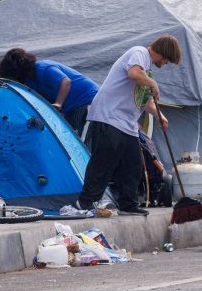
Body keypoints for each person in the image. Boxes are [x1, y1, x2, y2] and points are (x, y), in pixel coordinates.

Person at [74, 35, 182, 216]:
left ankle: (128, 204)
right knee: (104, 162)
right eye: (167, 60)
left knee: (133, 166)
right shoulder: (139, 53)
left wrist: (160, 116)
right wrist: (153, 83)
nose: (165, 64)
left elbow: (145, 102)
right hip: (109, 116)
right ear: (163, 53)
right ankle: (85, 202)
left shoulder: (146, 70)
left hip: (127, 123)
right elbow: (133, 73)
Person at [0, 48, 98, 136]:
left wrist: (58, 103)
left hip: (86, 99)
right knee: (66, 130)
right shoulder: (29, 82)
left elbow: (66, 82)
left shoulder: (44, 68)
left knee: (75, 131)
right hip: (70, 107)